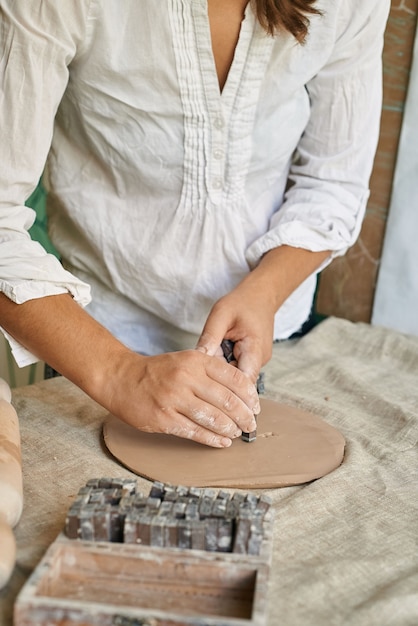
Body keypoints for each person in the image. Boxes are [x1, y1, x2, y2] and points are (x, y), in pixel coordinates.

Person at [0, 0, 390, 447]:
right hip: (95, 340)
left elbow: (334, 181)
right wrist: (117, 372)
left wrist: (265, 293)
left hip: (274, 332)